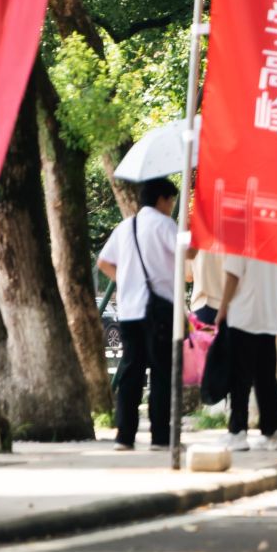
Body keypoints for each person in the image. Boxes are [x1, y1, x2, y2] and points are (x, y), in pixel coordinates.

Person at [96, 177, 180, 452]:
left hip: (129, 311)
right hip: (159, 311)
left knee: (131, 371)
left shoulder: (125, 227)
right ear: (161, 200)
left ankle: (125, 436)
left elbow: (103, 262)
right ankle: (160, 437)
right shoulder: (165, 225)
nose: (171, 206)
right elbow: (187, 253)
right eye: (171, 200)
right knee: (161, 372)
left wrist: (125, 280)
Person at [218, 253, 277, 451]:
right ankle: (272, 433)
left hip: (243, 318)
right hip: (268, 319)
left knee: (240, 380)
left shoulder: (242, 244)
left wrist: (222, 308)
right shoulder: (276, 248)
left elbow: (232, 276)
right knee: (266, 380)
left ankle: (237, 432)